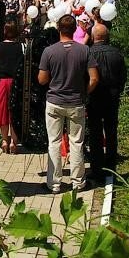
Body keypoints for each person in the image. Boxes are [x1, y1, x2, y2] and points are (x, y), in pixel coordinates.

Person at [37, 14, 99, 193]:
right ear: (75, 29)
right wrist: (84, 92)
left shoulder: (49, 51)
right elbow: (94, 78)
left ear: (58, 29)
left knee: (54, 142)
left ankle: (54, 183)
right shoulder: (84, 50)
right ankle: (78, 182)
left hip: (55, 101)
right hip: (76, 102)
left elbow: (42, 80)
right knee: (76, 142)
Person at [87, 23, 127, 183]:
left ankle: (96, 169)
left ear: (93, 36)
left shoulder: (88, 53)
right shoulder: (117, 54)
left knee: (95, 133)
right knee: (111, 132)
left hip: (94, 97)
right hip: (112, 97)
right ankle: (111, 167)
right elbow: (123, 76)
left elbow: (86, 76)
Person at [0, 23, 23, 154]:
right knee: (14, 111)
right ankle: (14, 142)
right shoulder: (21, 47)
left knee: (2, 110)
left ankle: (5, 139)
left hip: (1, 81)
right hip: (16, 81)